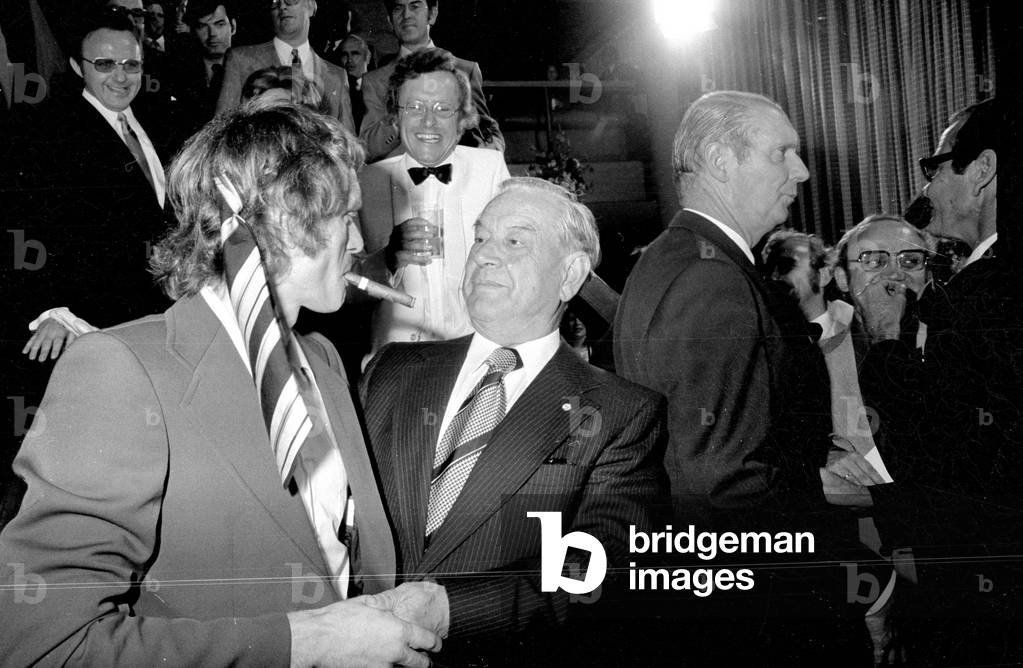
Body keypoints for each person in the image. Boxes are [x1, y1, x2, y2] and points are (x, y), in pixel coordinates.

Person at [0, 101, 445, 666]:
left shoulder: (323, 360)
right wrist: (307, 643)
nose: (359, 241)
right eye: (345, 217)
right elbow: (42, 645)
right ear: (283, 220)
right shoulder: (119, 369)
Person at [360, 177, 667, 666]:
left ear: (570, 275)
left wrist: (448, 609)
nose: (484, 254)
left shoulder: (622, 414)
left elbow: (599, 569)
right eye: (480, 237)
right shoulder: (391, 372)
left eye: (515, 241)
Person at [613, 90, 872, 664]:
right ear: (721, 161)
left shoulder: (680, 258)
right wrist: (818, 493)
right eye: (781, 153)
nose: (801, 171)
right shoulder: (711, 279)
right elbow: (718, 485)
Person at [20, 8, 169, 362]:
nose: (120, 77)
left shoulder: (164, 119)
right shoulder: (49, 133)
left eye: (131, 65)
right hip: (95, 322)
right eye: (104, 64)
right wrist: (52, 310)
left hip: (168, 316)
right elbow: (30, 227)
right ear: (77, 66)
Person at [358, 48, 509, 356]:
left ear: (463, 119)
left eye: (442, 109)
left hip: (478, 358)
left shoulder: (490, 170)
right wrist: (387, 258)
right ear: (395, 115)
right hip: (396, 366)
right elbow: (345, 289)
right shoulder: (366, 181)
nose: (428, 122)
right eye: (414, 107)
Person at [359, 0, 502, 162]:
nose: (406, 15)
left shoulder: (465, 70)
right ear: (390, 20)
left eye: (415, 6)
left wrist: (488, 153)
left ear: (432, 14)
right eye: (398, 8)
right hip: (401, 180)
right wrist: (400, 114)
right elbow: (367, 149)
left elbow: (488, 132)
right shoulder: (375, 80)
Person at [215, 0, 354, 132]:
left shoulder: (337, 76)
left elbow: (350, 145)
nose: (282, 6)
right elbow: (220, 128)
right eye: (275, 3)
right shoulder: (240, 60)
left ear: (311, 7)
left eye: (291, 0)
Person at [337, 33, 369, 130]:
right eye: (345, 55)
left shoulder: (379, 87)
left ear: (367, 57)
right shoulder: (337, 90)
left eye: (355, 54)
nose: (349, 60)